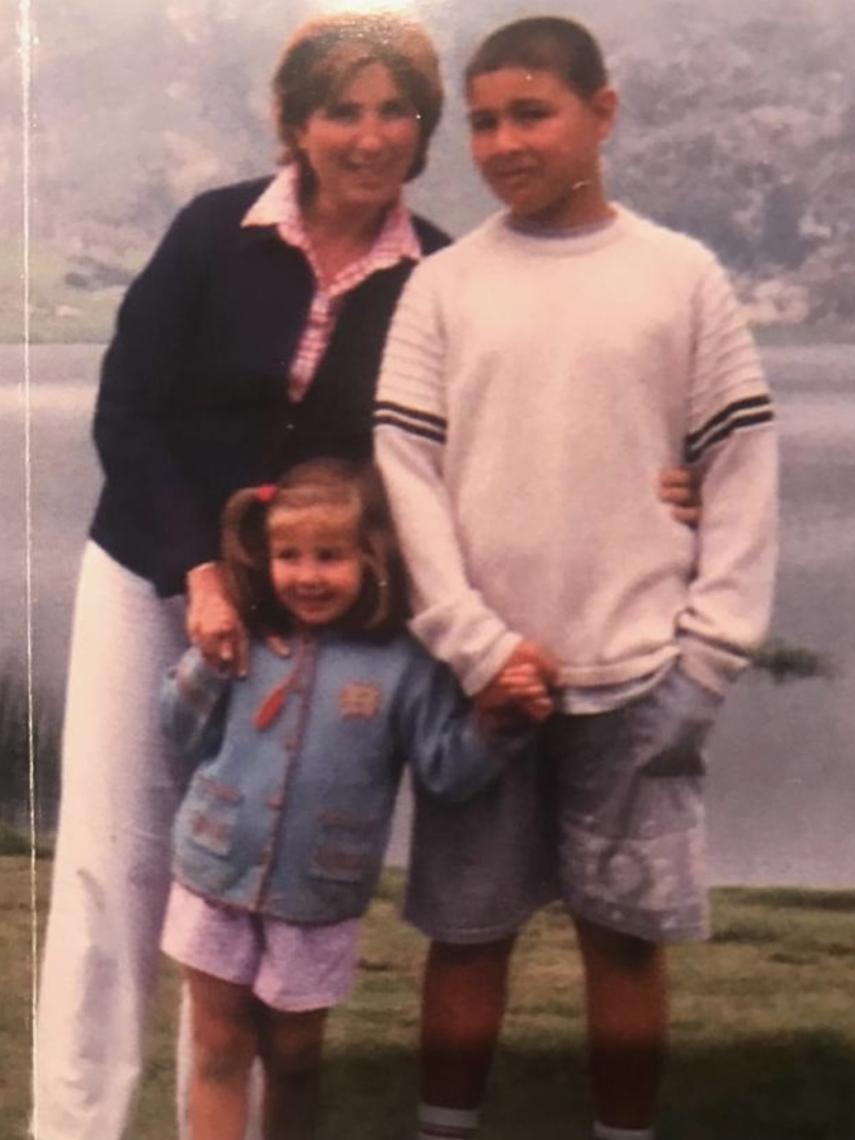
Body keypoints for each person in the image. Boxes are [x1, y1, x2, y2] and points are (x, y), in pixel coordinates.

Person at [33, 14, 448, 1140]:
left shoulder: (438, 273)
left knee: (242, 886)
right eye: (342, 110)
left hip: (303, 612)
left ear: (423, 125)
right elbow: (128, 411)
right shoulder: (215, 232)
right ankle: (78, 1126)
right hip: (149, 572)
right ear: (295, 124)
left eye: (394, 109)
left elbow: (456, 451)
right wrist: (198, 573)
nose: (370, 136)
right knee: (117, 865)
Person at [375, 16, 777, 1140]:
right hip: (480, 689)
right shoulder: (444, 286)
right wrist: (473, 644)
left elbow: (740, 469)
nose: (505, 142)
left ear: (602, 112)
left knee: (624, 939)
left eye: (532, 113)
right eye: (487, 120)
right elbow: (407, 474)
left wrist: (707, 657)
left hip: (642, 674)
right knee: (465, 933)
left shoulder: (680, 276)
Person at [159, 458, 535, 1140]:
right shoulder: (243, 638)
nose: (306, 575)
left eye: (329, 556)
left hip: (318, 898)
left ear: (374, 557)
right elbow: (179, 732)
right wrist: (204, 664)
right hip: (212, 873)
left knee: (296, 1059)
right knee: (218, 1050)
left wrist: (495, 725)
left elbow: (446, 771)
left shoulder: (403, 665)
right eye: (288, 555)